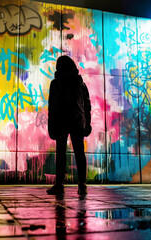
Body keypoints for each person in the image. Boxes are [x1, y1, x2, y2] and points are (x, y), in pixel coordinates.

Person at [47, 56, 92, 195]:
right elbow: (87, 106)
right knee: (79, 153)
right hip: (77, 121)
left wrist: (51, 126)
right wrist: (87, 123)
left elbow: (52, 107)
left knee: (61, 153)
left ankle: (60, 184)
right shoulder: (80, 83)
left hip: (61, 121)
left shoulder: (56, 84)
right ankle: (82, 184)